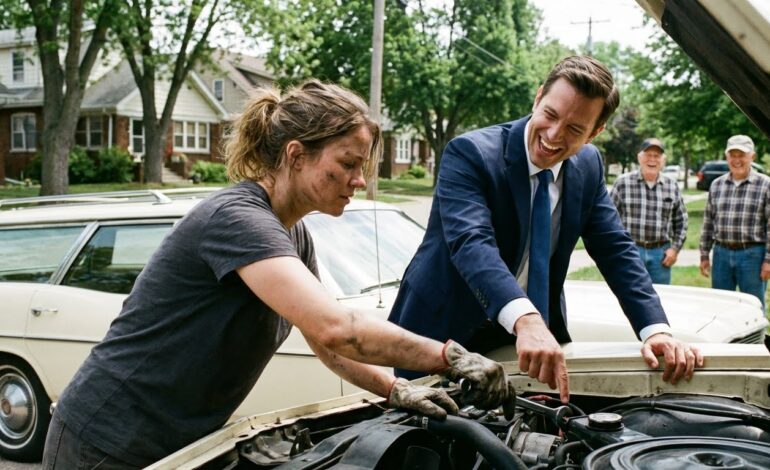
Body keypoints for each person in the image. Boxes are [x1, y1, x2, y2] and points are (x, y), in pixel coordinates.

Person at [42, 80, 515, 469]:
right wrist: (452, 356)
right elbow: (340, 330)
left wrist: (396, 389)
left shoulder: (293, 234)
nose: (360, 180)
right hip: (106, 442)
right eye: (348, 163)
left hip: (185, 444)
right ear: (295, 155)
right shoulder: (236, 220)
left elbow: (324, 341)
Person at [388, 56, 703, 404]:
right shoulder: (470, 154)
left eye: (574, 129)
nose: (554, 136)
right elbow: (472, 244)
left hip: (529, 337)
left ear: (595, 132)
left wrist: (655, 329)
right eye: (550, 115)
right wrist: (526, 320)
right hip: (441, 332)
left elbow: (615, 249)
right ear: (538, 98)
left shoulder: (588, 165)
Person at [699, 134, 770, 310]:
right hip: (721, 254)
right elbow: (708, 221)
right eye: (733, 155)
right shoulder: (717, 185)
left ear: (752, 156)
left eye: (742, 155)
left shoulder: (765, 184)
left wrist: (768, 261)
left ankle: (755, 339)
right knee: (721, 307)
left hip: (753, 255)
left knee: (753, 308)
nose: (737, 160)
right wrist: (704, 255)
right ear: (727, 157)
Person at [610, 138, 688, 284]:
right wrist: (617, 249)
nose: (652, 159)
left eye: (656, 156)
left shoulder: (672, 186)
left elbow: (681, 221)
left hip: (661, 254)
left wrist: (675, 249)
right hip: (630, 251)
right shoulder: (622, 183)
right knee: (628, 296)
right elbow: (608, 220)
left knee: (660, 298)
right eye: (648, 155)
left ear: (663, 160)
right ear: (640, 158)